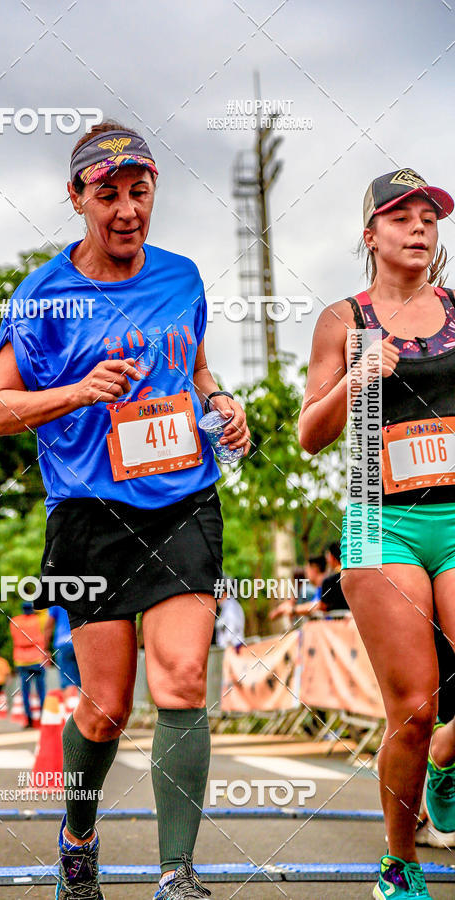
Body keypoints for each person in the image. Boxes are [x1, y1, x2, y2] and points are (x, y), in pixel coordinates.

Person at [0, 120, 250, 900]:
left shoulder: (182, 277)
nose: (127, 209)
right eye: (108, 195)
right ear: (77, 199)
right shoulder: (41, 297)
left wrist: (220, 400)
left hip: (182, 501)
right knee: (103, 710)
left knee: (182, 681)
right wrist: (76, 391)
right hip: (90, 515)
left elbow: (194, 366)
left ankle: (176, 873)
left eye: (140, 192)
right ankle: (77, 836)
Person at [299, 167, 455, 900]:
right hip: (380, 521)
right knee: (415, 707)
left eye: (428, 216)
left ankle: (446, 765)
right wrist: (356, 379)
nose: (419, 228)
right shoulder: (343, 320)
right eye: (401, 217)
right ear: (371, 236)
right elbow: (308, 435)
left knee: (438, 727)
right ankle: (399, 862)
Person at [9, 600, 48, 728]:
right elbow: (46, 613)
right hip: (37, 658)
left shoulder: (15, 621)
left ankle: (29, 719)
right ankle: (43, 717)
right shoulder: (39, 620)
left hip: (21, 660)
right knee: (41, 690)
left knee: (25, 691)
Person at [269, 554, 327, 621]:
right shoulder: (317, 589)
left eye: (307, 569)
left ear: (314, 568)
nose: (306, 572)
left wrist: (293, 610)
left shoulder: (309, 590)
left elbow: (318, 606)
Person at [44, 604, 81, 695]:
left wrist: (45, 650)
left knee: (69, 683)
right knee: (88, 684)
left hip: (63, 644)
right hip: (81, 642)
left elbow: (48, 627)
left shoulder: (57, 600)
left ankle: (70, 707)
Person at [319, 542, 349, 615]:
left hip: (335, 622)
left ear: (332, 557)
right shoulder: (354, 577)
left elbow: (323, 606)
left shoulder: (328, 581)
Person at [214, 584, 245, 649]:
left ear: (224, 593)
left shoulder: (230, 606)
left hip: (233, 646)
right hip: (233, 645)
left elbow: (232, 624)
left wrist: (228, 641)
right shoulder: (228, 605)